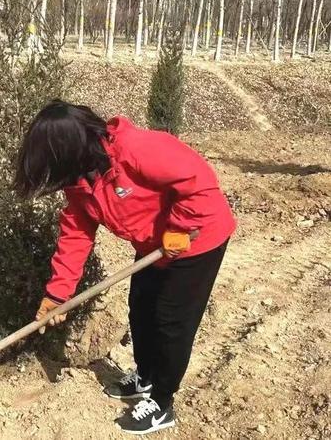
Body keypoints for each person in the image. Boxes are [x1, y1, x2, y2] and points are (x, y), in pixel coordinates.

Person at [15, 101, 236, 435]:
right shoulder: (80, 180)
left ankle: (162, 403)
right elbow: (76, 233)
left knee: (171, 321)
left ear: (70, 150)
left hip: (197, 237)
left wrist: (177, 230)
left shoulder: (137, 149)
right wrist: (57, 294)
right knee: (141, 311)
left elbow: (199, 180)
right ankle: (145, 378)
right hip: (155, 245)